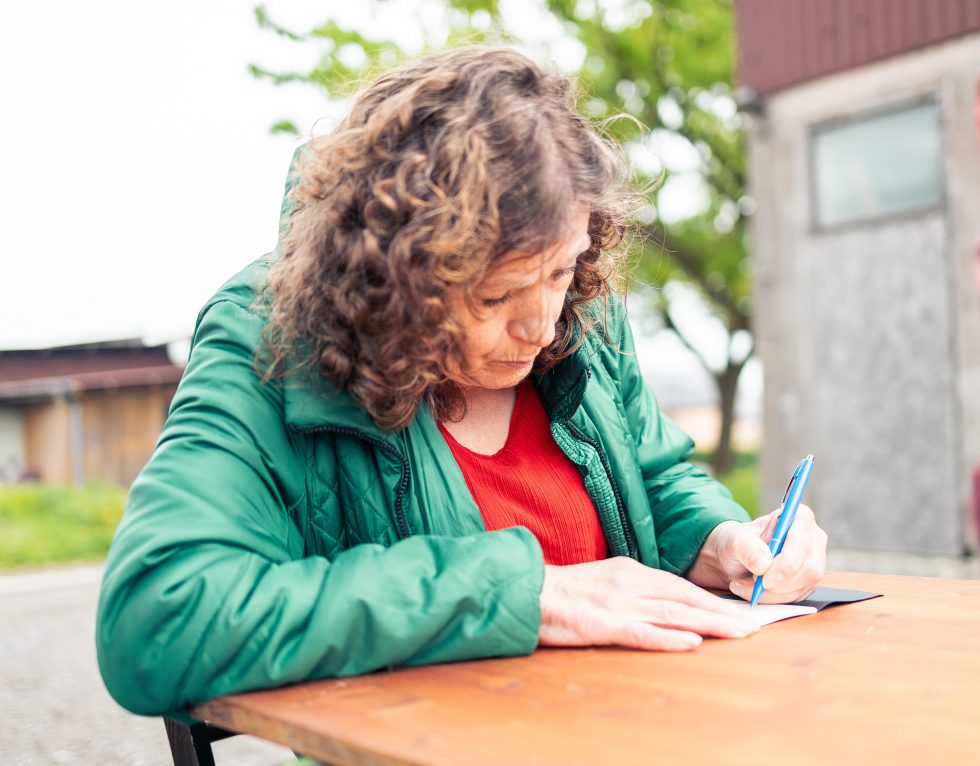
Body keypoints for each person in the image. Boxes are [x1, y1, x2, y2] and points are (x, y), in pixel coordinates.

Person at [95, 46, 827, 718]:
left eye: (562, 269)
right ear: (393, 278)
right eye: (493, 296)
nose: (541, 326)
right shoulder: (270, 335)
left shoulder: (580, 312)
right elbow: (156, 617)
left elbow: (652, 480)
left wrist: (720, 541)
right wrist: (525, 594)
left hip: (639, 728)